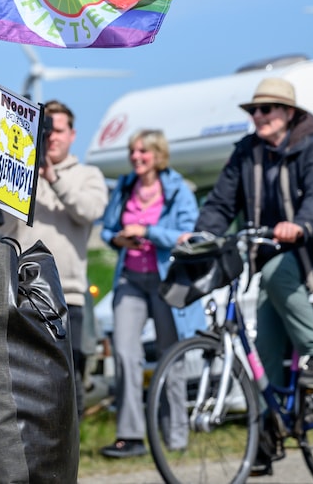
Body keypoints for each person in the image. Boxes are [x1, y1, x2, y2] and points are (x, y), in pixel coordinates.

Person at [193, 77, 313, 474]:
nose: (259, 117)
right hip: (268, 257)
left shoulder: (310, 149)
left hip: (310, 250)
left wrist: (299, 224)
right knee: (263, 348)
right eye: (254, 111)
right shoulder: (246, 153)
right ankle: (267, 435)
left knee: (278, 273)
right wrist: (202, 233)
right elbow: (221, 203)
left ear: (288, 114)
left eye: (266, 109)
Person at [0, 99, 108, 419]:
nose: (51, 138)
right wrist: (20, 173)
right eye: (45, 132)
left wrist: (53, 177)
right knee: (23, 376)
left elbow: (89, 211)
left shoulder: (88, 175)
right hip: (20, 290)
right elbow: (0, 227)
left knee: (67, 378)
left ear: (72, 134)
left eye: (57, 131)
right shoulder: (22, 176)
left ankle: (74, 457)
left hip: (66, 293)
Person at [97, 129, 202, 459]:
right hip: (130, 278)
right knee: (126, 355)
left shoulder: (177, 189)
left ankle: (176, 435)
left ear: (158, 154)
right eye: (132, 152)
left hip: (165, 281)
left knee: (172, 355)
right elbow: (107, 229)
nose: (136, 157)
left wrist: (148, 232)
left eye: (142, 151)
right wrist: (119, 240)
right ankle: (131, 436)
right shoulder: (126, 185)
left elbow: (188, 235)